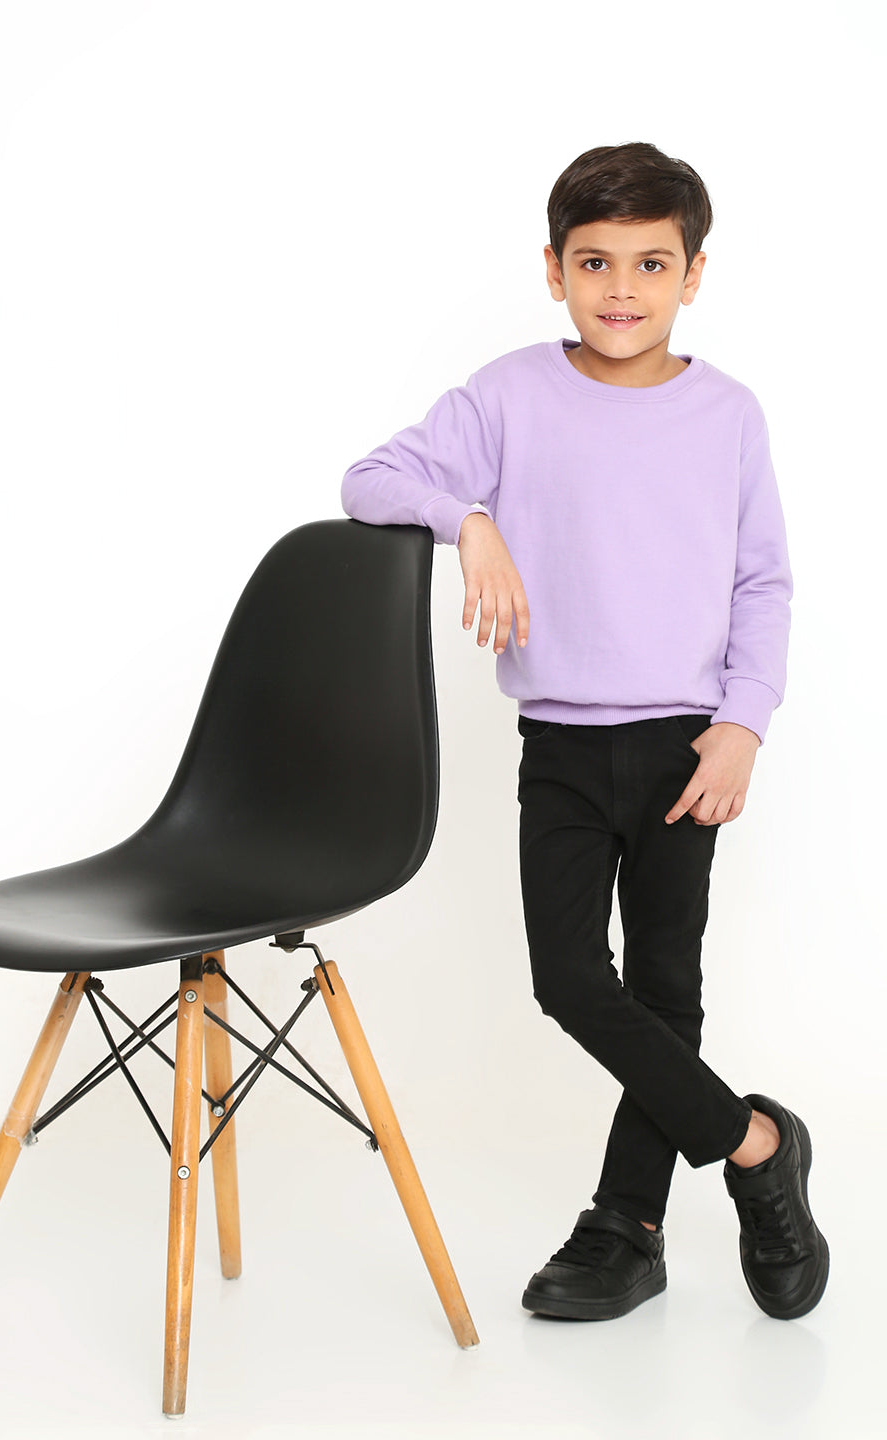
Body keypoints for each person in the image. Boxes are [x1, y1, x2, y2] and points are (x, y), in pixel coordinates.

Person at [339, 141, 828, 1323]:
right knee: (569, 979)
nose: (622, 288)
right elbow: (369, 479)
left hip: (685, 744)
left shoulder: (728, 414)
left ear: (692, 275)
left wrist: (743, 723)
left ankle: (628, 1227)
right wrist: (467, 520)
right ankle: (757, 1146)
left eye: (651, 263)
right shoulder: (509, 394)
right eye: (596, 261)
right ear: (554, 270)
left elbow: (762, 581)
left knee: (663, 987)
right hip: (560, 744)